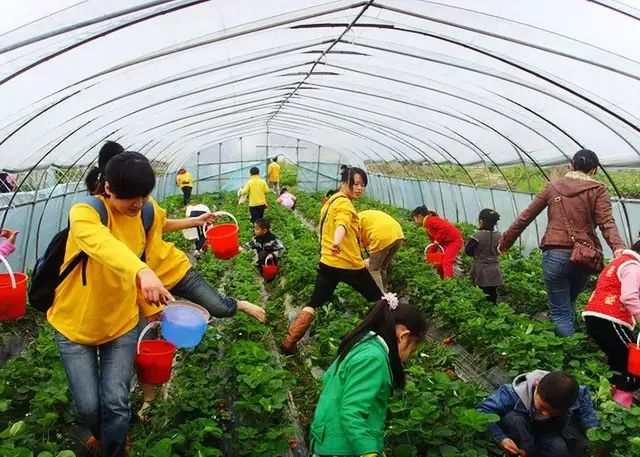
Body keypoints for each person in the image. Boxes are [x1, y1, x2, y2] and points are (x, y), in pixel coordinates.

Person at [49, 152, 174, 457]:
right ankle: (104, 437)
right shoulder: (85, 213)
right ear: (107, 188)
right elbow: (102, 245)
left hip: (121, 324)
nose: (138, 203)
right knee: (89, 406)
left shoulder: (144, 214)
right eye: (130, 196)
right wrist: (141, 271)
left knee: (116, 401)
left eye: (144, 195)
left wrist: (150, 305)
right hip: (74, 326)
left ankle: (115, 449)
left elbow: (157, 244)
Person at [499, 149, 625, 337]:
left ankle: (566, 354)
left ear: (571, 165)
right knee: (568, 303)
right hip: (584, 257)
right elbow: (606, 222)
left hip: (555, 254)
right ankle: (573, 345)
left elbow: (525, 217)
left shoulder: (553, 187)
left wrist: (505, 243)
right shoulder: (598, 189)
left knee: (559, 310)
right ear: (594, 170)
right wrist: (619, 249)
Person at [309, 294, 427, 456]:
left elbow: (329, 379)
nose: (409, 356)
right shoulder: (373, 358)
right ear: (403, 336)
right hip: (342, 449)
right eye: (412, 349)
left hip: (332, 440)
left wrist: (374, 446)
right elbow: (351, 411)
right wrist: (369, 451)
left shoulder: (364, 342)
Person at [282, 167, 381, 354]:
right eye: (355, 184)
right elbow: (341, 224)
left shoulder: (331, 201)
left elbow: (328, 225)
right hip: (349, 264)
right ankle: (388, 337)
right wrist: (337, 241)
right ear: (344, 183)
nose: (359, 188)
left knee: (315, 302)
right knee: (379, 300)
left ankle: (289, 341)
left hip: (328, 262)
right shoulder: (344, 204)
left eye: (362, 184)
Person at [477, 370, 598, 457]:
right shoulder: (513, 393)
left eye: (553, 412)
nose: (545, 413)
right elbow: (482, 411)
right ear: (537, 386)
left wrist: (593, 432)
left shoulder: (572, 393)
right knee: (514, 419)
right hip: (521, 427)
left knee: (559, 448)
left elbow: (585, 409)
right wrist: (501, 438)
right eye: (543, 406)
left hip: (549, 429)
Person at [582, 238, 640, 408]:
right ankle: (622, 404)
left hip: (595, 316)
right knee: (633, 360)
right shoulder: (633, 267)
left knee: (618, 359)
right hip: (610, 318)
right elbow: (629, 296)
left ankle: (608, 399)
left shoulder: (619, 261)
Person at [358, 209, 405, 292]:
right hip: (398, 234)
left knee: (374, 269)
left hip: (381, 237)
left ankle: (380, 297)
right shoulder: (363, 216)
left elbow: (356, 243)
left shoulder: (353, 221)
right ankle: (386, 291)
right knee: (383, 266)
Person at [411, 206, 463, 279]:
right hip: (447, 242)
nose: (414, 221)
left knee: (447, 261)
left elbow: (443, 227)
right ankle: (442, 279)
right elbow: (433, 242)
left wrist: (437, 240)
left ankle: (448, 282)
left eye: (414, 219)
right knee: (439, 262)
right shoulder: (427, 226)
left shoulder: (431, 220)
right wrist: (429, 254)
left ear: (419, 217)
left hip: (454, 241)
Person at [465, 209, 504, 303]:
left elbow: (468, 251)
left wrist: (477, 254)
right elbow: (501, 250)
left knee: (481, 295)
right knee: (492, 295)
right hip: (495, 270)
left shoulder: (478, 235)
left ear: (481, 221)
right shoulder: (499, 235)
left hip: (480, 270)